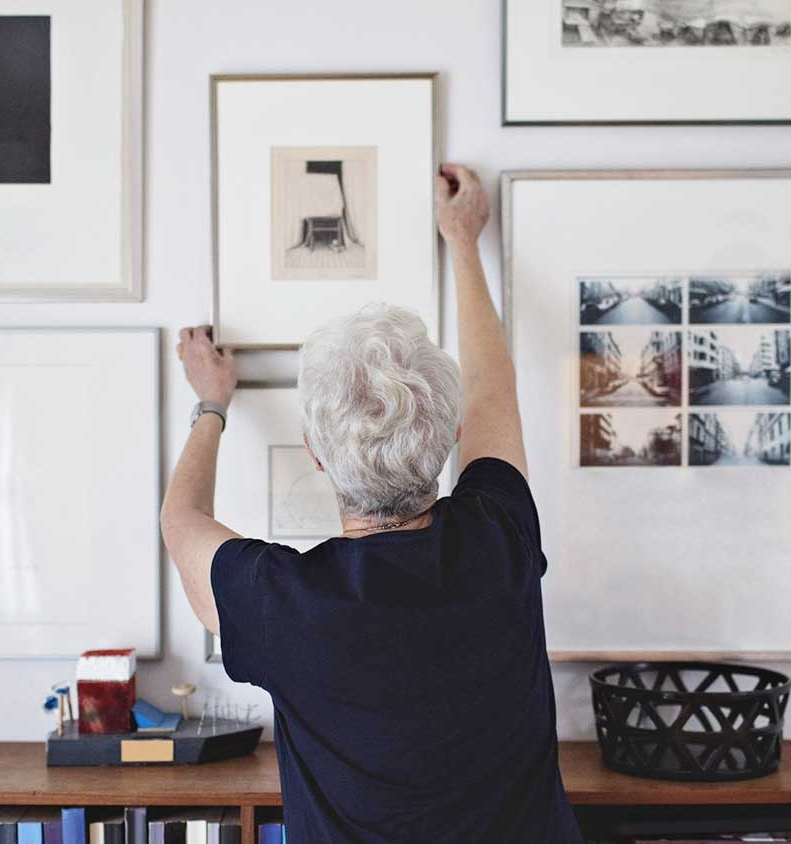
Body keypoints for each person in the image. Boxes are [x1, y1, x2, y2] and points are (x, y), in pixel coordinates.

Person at [162, 164, 583, 842]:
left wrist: (211, 402)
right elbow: (493, 388)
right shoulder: (498, 535)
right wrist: (463, 242)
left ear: (315, 452)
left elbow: (180, 523)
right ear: (450, 438)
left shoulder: (281, 602)